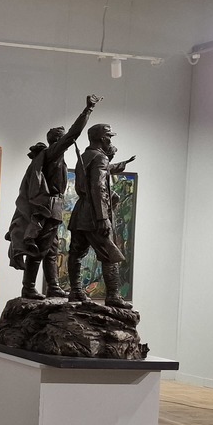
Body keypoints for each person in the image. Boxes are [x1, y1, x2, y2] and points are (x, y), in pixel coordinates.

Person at [5, 94, 98, 299]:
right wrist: (87, 110)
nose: (67, 142)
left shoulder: (54, 158)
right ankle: (29, 287)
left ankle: (53, 285)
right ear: (58, 141)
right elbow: (73, 134)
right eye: (64, 139)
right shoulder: (52, 154)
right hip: (48, 206)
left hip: (53, 207)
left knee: (51, 249)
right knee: (40, 248)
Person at [67, 124, 134, 307]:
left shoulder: (86, 156)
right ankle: (113, 295)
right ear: (103, 138)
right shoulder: (100, 157)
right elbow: (98, 187)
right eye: (109, 137)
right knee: (109, 254)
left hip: (80, 212)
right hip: (94, 214)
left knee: (76, 253)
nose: (110, 141)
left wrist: (122, 164)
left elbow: (103, 172)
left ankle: (75, 291)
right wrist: (103, 217)